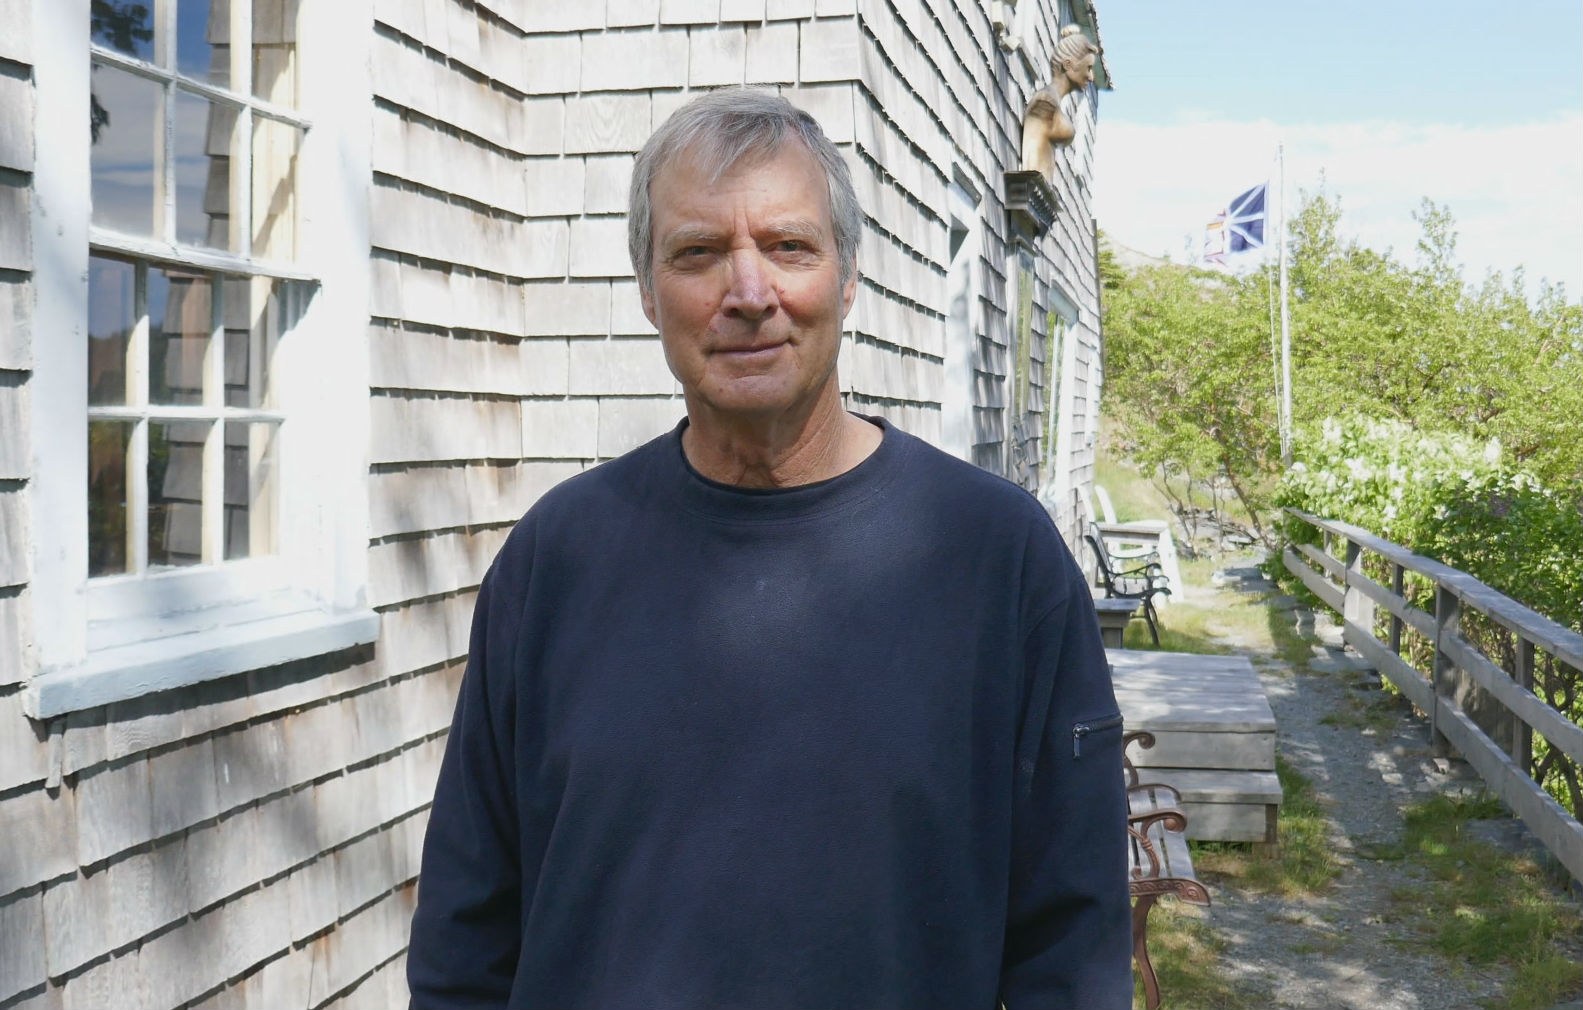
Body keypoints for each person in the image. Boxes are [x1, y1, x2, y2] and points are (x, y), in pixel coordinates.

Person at [407, 87, 1131, 1010]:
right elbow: (464, 937)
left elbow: (1071, 952)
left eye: (788, 247)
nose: (748, 294)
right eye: (698, 253)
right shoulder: (557, 560)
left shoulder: (997, 561)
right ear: (646, 290)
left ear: (847, 276)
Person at [1020, 25, 1100, 178]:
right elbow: (1031, 165)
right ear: (1068, 65)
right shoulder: (1045, 103)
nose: (1091, 77)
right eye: (1088, 68)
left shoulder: (1051, 101)